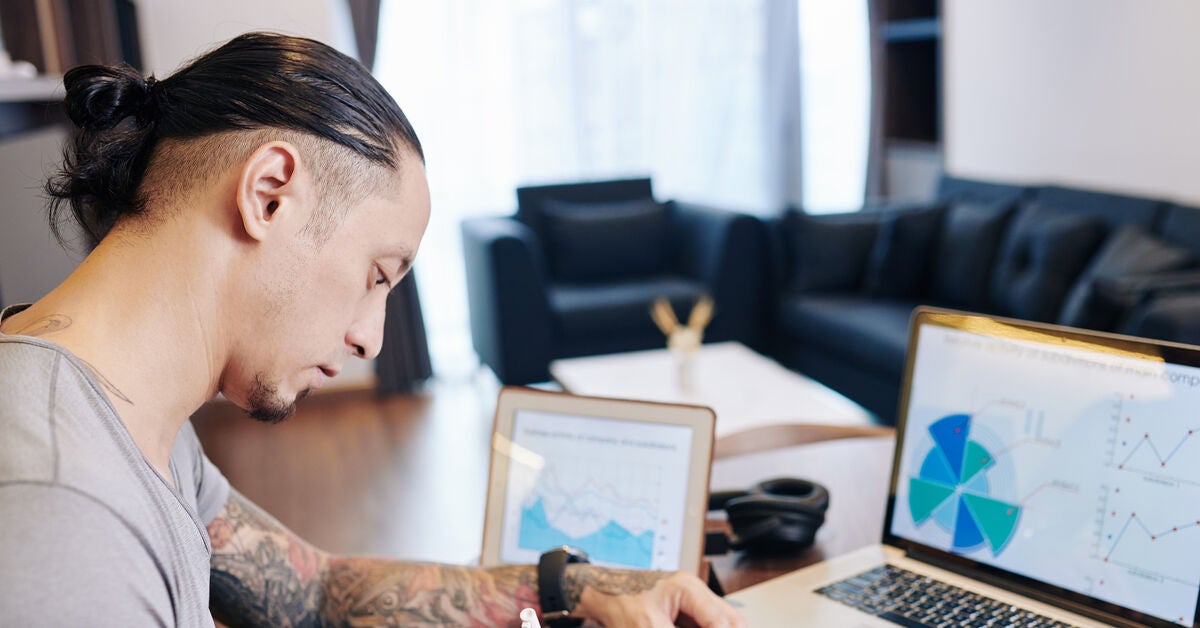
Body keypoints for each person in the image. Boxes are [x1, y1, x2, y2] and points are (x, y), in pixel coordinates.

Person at [0, 32, 744, 627]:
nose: (371, 339)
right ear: (270, 194)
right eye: (377, 274)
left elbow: (311, 594)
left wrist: (573, 589)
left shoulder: (129, 411)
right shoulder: (61, 517)